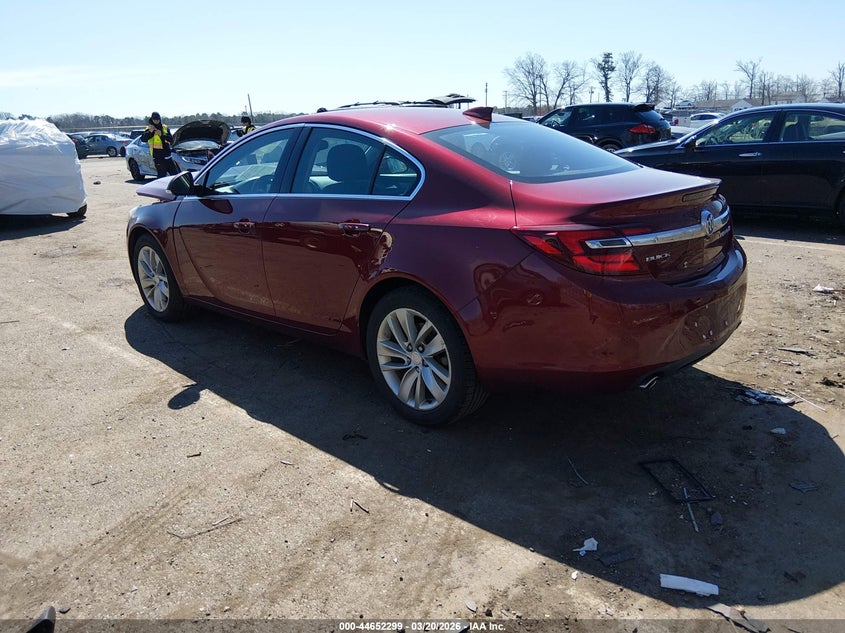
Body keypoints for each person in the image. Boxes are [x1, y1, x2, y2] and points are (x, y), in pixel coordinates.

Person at [140, 112, 178, 177]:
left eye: (157, 119)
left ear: (160, 119)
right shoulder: (149, 128)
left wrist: (161, 135)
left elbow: (171, 140)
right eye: (154, 119)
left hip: (167, 155)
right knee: (162, 176)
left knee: (175, 175)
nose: (156, 121)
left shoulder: (164, 128)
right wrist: (150, 132)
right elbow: (143, 139)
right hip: (158, 157)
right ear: (152, 120)